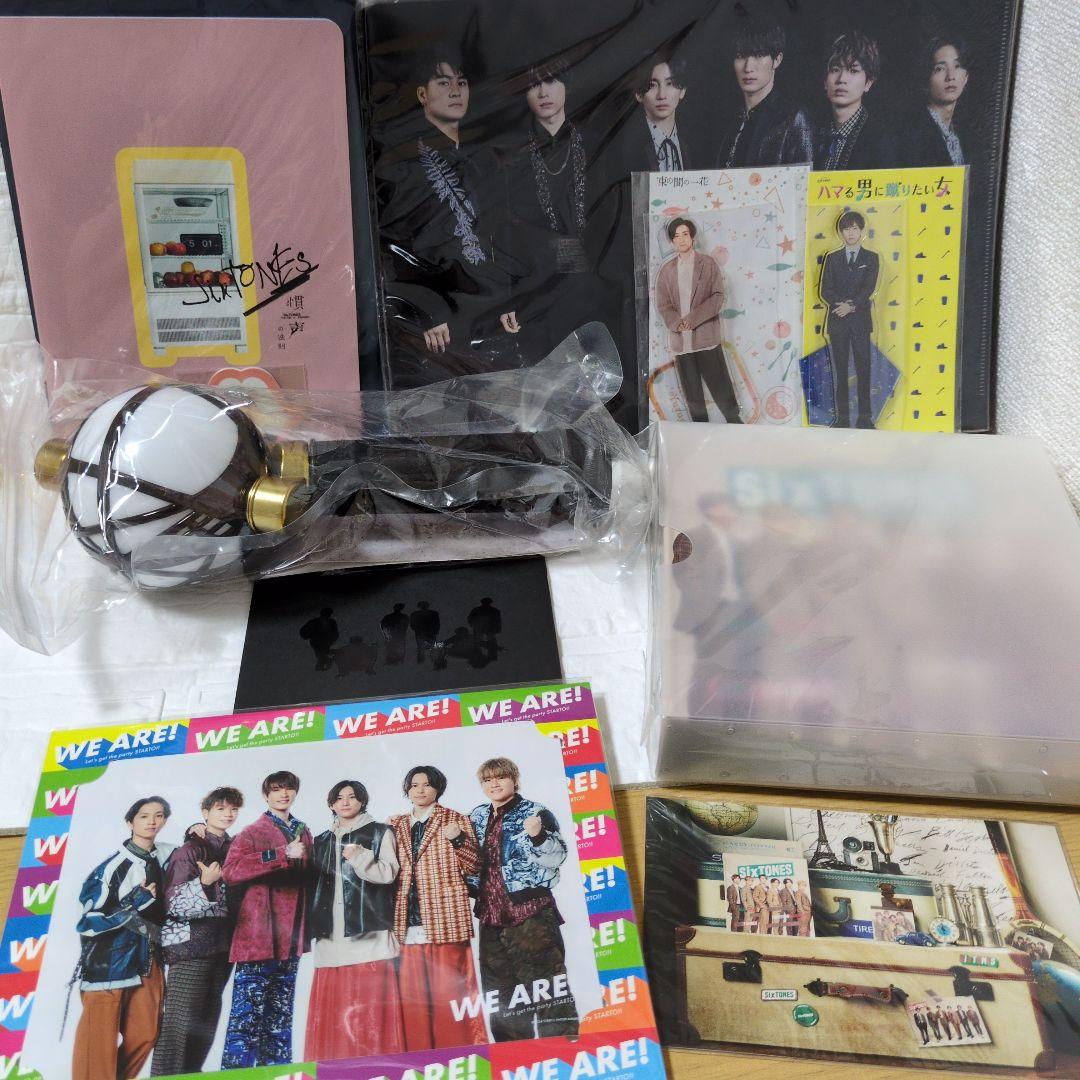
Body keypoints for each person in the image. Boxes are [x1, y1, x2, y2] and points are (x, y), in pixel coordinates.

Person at [376, 48, 521, 383]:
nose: (456, 90)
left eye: (462, 82)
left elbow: (498, 234)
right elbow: (394, 245)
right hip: (439, 317)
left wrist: (506, 299)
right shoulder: (403, 163)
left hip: (487, 307)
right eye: (443, 83)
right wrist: (427, 310)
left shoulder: (481, 158)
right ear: (422, 94)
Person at [469, 757, 578, 1041]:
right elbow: (466, 860)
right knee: (501, 997)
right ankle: (515, 1056)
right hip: (491, 917)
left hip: (531, 914)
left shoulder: (535, 812)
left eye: (501, 777)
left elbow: (557, 857)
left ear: (514, 780)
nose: (494, 784)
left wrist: (538, 835)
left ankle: (563, 1051)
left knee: (548, 989)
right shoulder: (477, 816)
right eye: (488, 780)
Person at [72, 796, 172, 1080]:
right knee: (98, 1049)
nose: (152, 821)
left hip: (148, 958)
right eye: (144, 816)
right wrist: (133, 903)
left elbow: (193, 849)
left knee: (146, 1034)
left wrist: (195, 830)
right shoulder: (111, 868)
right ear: (130, 822)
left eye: (159, 815)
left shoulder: (166, 854)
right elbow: (87, 922)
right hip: (109, 964)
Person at [306, 780, 404, 1060]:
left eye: (352, 796)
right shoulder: (321, 840)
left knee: (370, 1008)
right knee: (336, 1010)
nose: (346, 802)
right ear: (331, 804)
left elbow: (388, 874)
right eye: (339, 798)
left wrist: (360, 857)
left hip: (368, 931)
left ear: (362, 800)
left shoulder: (381, 832)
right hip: (331, 935)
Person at [389, 765, 486, 1051]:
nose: (420, 790)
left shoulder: (456, 818)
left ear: (438, 788)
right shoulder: (395, 824)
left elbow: (475, 866)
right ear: (407, 790)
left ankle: (461, 1054)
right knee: (413, 999)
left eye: (427, 784)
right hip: (406, 921)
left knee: (451, 995)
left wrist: (458, 839)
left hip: (446, 918)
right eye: (414, 785)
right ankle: (419, 1058)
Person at [220, 771, 312, 1069]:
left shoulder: (303, 830)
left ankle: (276, 1072)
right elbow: (230, 871)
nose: (283, 794)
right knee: (245, 1018)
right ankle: (236, 1074)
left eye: (288, 789)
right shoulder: (252, 831)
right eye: (276, 789)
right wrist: (280, 853)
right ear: (266, 795)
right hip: (257, 939)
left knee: (280, 1019)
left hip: (290, 939)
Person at [152, 787, 243, 1076]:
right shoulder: (189, 851)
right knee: (179, 1023)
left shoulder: (234, 848)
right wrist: (204, 883)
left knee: (206, 1022)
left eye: (233, 809)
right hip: (190, 946)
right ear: (205, 813)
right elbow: (173, 904)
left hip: (222, 945)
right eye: (220, 808)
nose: (228, 814)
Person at [653, 217, 742, 424]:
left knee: (719, 382)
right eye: (676, 236)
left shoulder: (707, 263)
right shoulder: (666, 271)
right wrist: (677, 323)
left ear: (692, 236)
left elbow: (718, 296)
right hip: (680, 342)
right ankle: (699, 430)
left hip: (706, 338)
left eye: (685, 234)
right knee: (692, 392)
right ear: (671, 241)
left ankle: (735, 422)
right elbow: (663, 304)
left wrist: (692, 320)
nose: (681, 239)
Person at [716, 15, 813, 167]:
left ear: (777, 60)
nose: (748, 67)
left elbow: (806, 178)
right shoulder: (731, 119)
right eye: (740, 56)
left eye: (759, 55)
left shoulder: (794, 118)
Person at [818, 210, 880, 429]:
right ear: (840, 232)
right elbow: (825, 290)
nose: (851, 233)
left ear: (861, 231)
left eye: (854, 228)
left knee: (864, 370)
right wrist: (841, 306)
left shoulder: (871, 258)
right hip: (838, 322)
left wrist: (851, 306)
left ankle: (865, 418)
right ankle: (842, 419)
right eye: (846, 229)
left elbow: (868, 289)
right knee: (841, 371)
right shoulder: (832, 258)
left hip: (860, 322)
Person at [815, 31, 897, 170]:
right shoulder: (811, 132)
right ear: (825, 82)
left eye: (853, 71)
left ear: (868, 83)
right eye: (835, 69)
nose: (841, 79)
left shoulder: (880, 140)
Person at [907, 36, 970, 167]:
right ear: (926, 80)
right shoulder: (913, 135)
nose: (951, 77)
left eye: (957, 66)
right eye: (940, 68)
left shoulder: (965, 134)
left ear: (966, 78)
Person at [299, 607, 338, 672]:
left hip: (321, 642)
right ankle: (322, 666)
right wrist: (306, 636)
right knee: (321, 655)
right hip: (318, 642)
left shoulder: (330, 622)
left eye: (328, 614)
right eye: (328, 614)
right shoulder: (315, 622)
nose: (328, 616)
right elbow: (303, 631)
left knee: (321, 655)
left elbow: (335, 633)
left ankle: (321, 667)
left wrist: (333, 639)